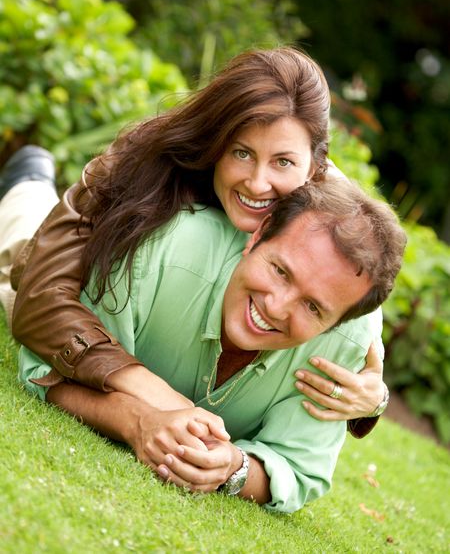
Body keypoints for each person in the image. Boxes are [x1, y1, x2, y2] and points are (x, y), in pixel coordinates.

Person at [9, 48, 386, 436]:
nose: (258, 183)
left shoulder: (329, 218)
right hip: (73, 284)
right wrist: (156, 393)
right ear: (216, 139)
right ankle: (30, 178)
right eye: (242, 152)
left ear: (315, 165)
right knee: (15, 245)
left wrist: (374, 396)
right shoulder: (140, 160)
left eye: (283, 163)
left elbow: (356, 316)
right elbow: (38, 297)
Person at [14, 173, 406, 513]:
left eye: (313, 307)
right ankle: (29, 178)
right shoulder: (159, 249)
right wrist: (137, 422)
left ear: (337, 322)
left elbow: (298, 469)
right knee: (14, 245)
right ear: (257, 236)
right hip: (52, 266)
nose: (276, 307)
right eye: (280, 271)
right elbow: (45, 365)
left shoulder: (346, 345)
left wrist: (234, 467)